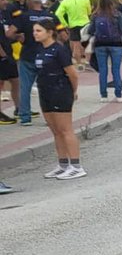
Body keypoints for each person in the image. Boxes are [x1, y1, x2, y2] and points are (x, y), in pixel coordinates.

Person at [33, 21, 84, 179]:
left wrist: (73, 91)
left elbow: (73, 74)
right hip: (45, 92)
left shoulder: (59, 50)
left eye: (39, 30)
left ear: (50, 32)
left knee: (65, 129)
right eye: (34, 30)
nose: (35, 33)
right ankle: (63, 164)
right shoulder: (40, 50)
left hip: (60, 91)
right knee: (55, 131)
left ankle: (76, 165)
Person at [9, 0, 58, 127]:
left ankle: (25, 117)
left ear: (29, 2)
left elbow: (9, 33)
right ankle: (51, 117)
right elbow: (63, 35)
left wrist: (19, 37)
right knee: (48, 87)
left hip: (28, 56)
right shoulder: (51, 17)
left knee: (25, 87)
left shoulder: (23, 17)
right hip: (48, 56)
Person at [88, 0, 122, 102]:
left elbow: (90, 31)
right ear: (111, 3)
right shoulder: (116, 14)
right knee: (115, 70)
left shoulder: (95, 15)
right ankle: (119, 95)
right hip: (116, 44)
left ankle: (103, 95)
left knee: (103, 70)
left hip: (100, 44)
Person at [56, 0, 91, 68]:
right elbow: (89, 12)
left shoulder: (65, 1)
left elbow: (58, 14)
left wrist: (65, 24)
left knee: (76, 45)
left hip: (73, 25)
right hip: (85, 23)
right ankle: (87, 61)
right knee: (87, 44)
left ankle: (78, 63)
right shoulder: (86, 0)